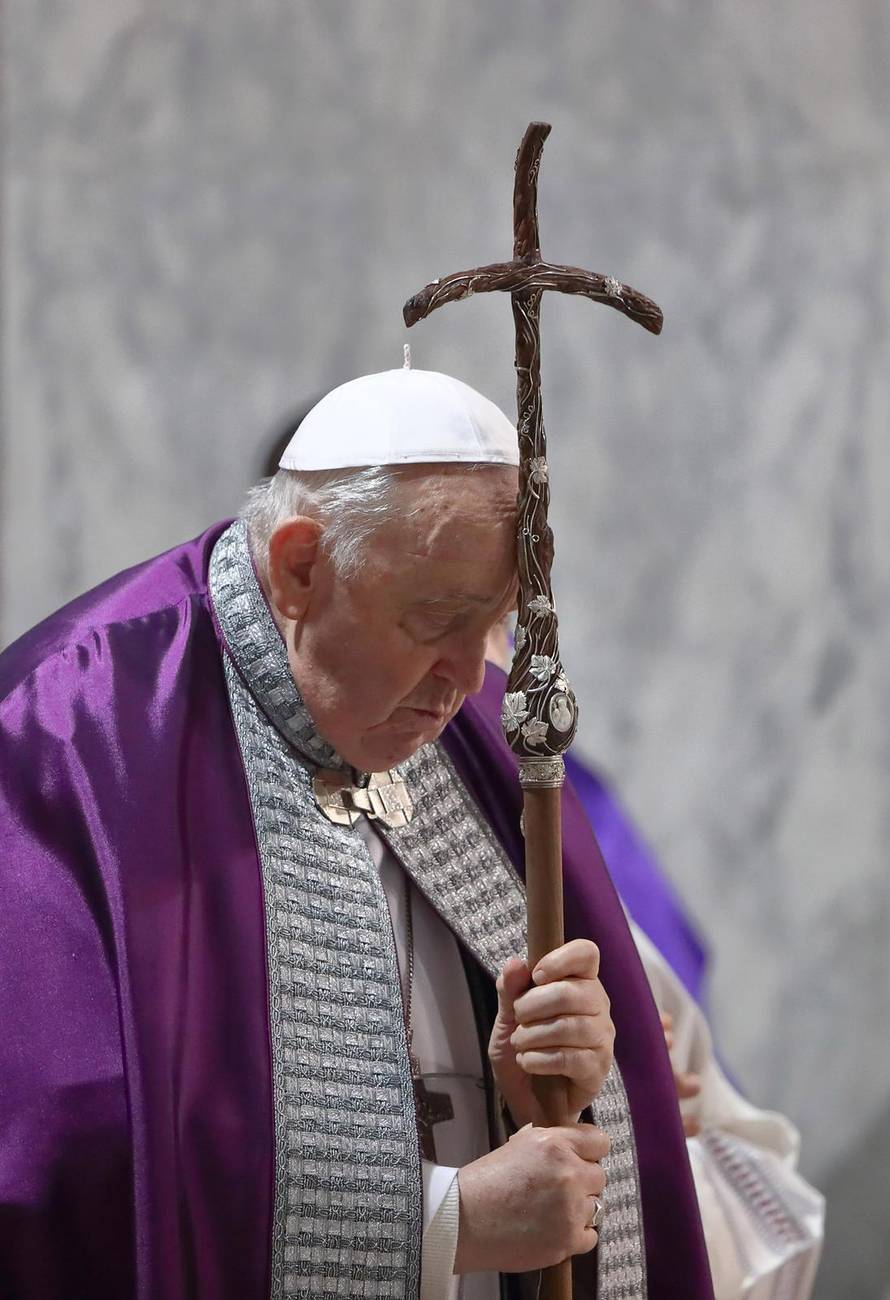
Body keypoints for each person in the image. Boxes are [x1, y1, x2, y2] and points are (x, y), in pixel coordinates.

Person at [0, 368, 714, 1300]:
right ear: (300, 568)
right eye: (436, 621)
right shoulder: (69, 732)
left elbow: (575, 1133)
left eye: (494, 626)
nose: (468, 681)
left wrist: (542, 1090)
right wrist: (440, 1222)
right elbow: (56, 1154)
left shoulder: (484, 743)